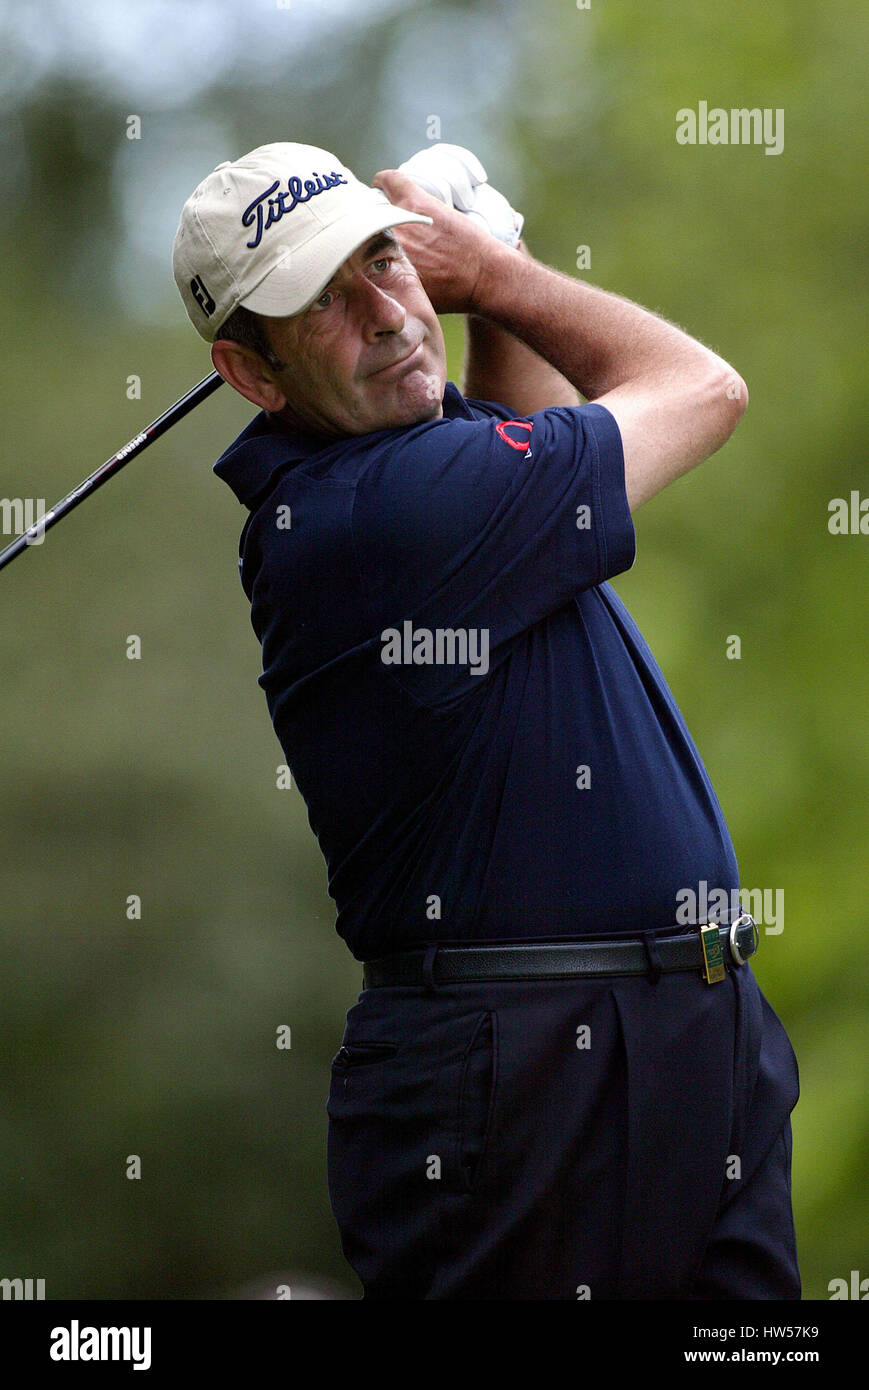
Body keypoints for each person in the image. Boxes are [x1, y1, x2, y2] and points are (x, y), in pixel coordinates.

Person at [172, 141, 800, 1300]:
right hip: (524, 1079)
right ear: (250, 374)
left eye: (384, 260)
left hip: (680, 1041)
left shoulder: (431, 471)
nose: (384, 311)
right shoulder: (374, 517)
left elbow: (535, 468)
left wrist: (488, 271)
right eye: (320, 300)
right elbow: (703, 390)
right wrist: (495, 278)